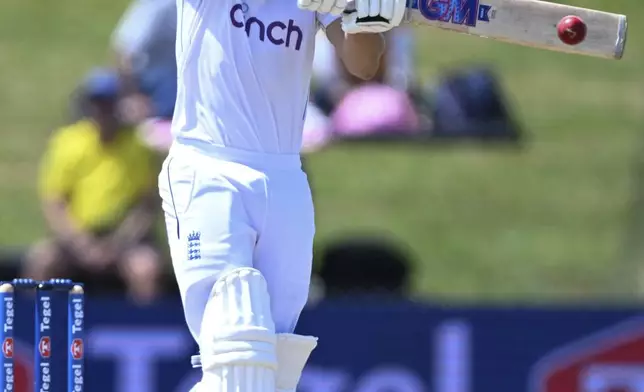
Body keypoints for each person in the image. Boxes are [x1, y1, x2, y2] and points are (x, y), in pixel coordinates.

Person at [157, 0, 406, 390]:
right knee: (235, 346)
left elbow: (364, 66)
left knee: (276, 366)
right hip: (209, 169)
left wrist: (364, 15)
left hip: (284, 176)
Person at [24, 69, 163, 304]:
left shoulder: (138, 146)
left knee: (145, 268)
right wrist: (81, 243)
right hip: (76, 236)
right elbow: (55, 202)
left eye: (109, 104)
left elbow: (146, 205)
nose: (104, 111)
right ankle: (30, 331)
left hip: (125, 238)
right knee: (42, 261)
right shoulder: (68, 141)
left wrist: (118, 243)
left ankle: (140, 335)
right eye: (98, 104)